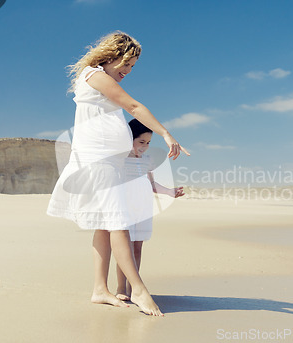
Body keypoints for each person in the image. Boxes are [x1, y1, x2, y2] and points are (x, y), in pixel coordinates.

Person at [46, 31, 189, 316]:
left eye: (133, 67)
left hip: (109, 161)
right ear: (112, 56)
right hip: (97, 160)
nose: (128, 71)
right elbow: (133, 106)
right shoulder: (96, 76)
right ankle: (137, 289)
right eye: (127, 63)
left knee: (104, 223)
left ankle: (100, 289)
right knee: (117, 221)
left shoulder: (99, 79)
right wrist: (166, 134)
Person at [116, 119, 185, 301]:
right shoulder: (121, 158)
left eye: (148, 143)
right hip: (125, 207)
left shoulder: (147, 160)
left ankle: (134, 287)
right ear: (129, 138)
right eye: (141, 142)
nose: (145, 147)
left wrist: (170, 191)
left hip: (144, 208)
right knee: (125, 248)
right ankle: (120, 287)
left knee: (137, 248)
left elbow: (152, 184)